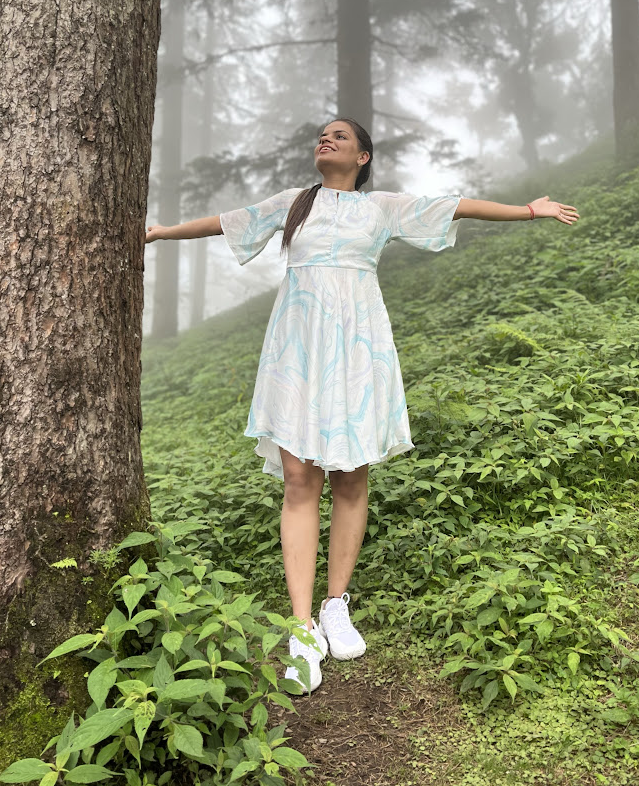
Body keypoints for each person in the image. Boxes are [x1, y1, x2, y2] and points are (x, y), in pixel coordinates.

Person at [145, 118, 579, 694]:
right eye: (322, 135)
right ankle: (302, 627)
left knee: (351, 477)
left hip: (356, 348)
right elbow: (227, 222)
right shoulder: (294, 202)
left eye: (340, 136)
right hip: (297, 352)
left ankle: (335, 606)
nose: (326, 140)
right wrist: (160, 232)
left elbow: (456, 206)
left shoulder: (382, 208)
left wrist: (528, 211)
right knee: (299, 479)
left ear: (363, 156)